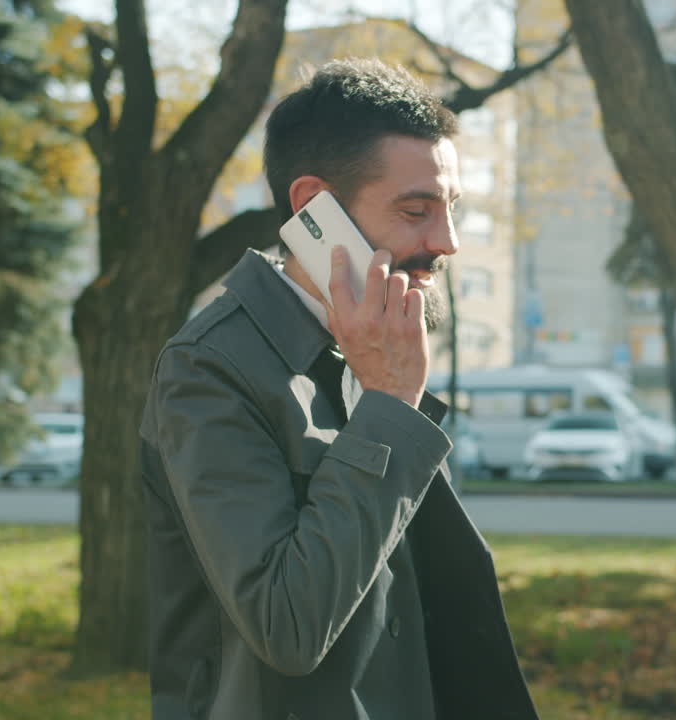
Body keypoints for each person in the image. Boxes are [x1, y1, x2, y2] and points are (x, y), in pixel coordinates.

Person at [139, 59, 540, 720]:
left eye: (451, 210)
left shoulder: (366, 345)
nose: (447, 242)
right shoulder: (208, 369)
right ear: (313, 209)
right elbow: (286, 628)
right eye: (416, 211)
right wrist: (387, 407)